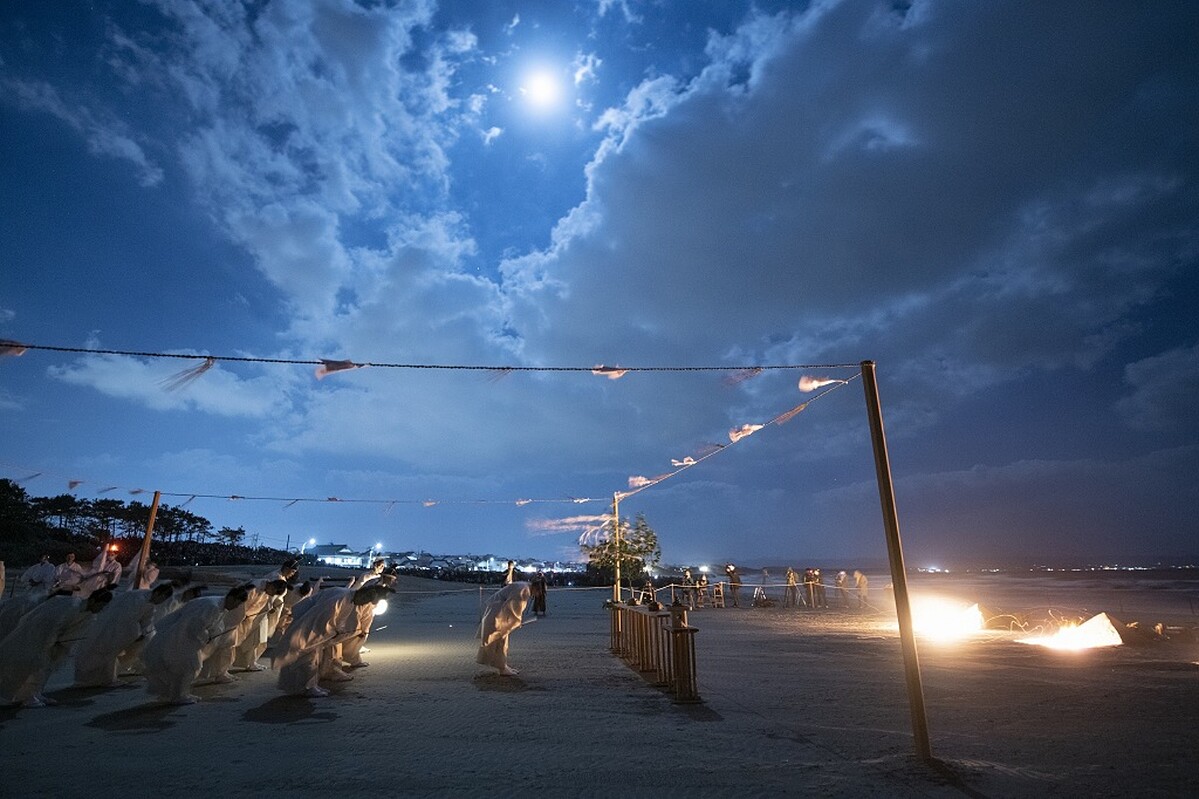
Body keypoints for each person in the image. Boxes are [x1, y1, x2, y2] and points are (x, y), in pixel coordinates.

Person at [273, 583, 393, 697]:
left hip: (319, 626)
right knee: (307, 654)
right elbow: (321, 621)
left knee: (318, 653)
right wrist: (331, 634)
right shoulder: (338, 599)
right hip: (309, 625)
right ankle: (306, 688)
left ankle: (313, 683)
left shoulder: (350, 598)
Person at [0, 588, 113, 707]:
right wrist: (50, 643)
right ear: (93, 601)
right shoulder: (71, 605)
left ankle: (34, 693)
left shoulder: (88, 614)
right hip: (37, 638)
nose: (101, 609)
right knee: (27, 668)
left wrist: (61, 647)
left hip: (54, 644)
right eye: (101, 605)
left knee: (43, 670)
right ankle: (17, 696)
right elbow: (52, 625)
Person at [142, 585, 250, 705]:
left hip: (182, 638)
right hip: (181, 639)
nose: (236, 607)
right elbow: (196, 627)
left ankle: (172, 695)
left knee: (179, 668)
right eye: (237, 603)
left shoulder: (217, 605)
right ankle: (179, 696)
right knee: (189, 668)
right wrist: (207, 638)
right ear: (232, 598)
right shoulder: (212, 606)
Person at [74, 583, 174, 687]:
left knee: (110, 655)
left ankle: (106, 679)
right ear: (157, 593)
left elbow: (146, 622)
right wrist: (137, 633)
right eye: (162, 598)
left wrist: (147, 634)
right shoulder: (136, 598)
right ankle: (93, 679)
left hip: (121, 633)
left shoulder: (149, 604)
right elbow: (126, 619)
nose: (161, 602)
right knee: (100, 652)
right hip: (110, 629)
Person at [476, 581, 532, 676]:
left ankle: (502, 666)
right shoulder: (523, 589)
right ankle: (501, 667)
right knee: (498, 641)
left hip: (497, 612)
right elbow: (514, 607)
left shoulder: (522, 586)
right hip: (498, 615)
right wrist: (516, 621)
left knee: (501, 641)